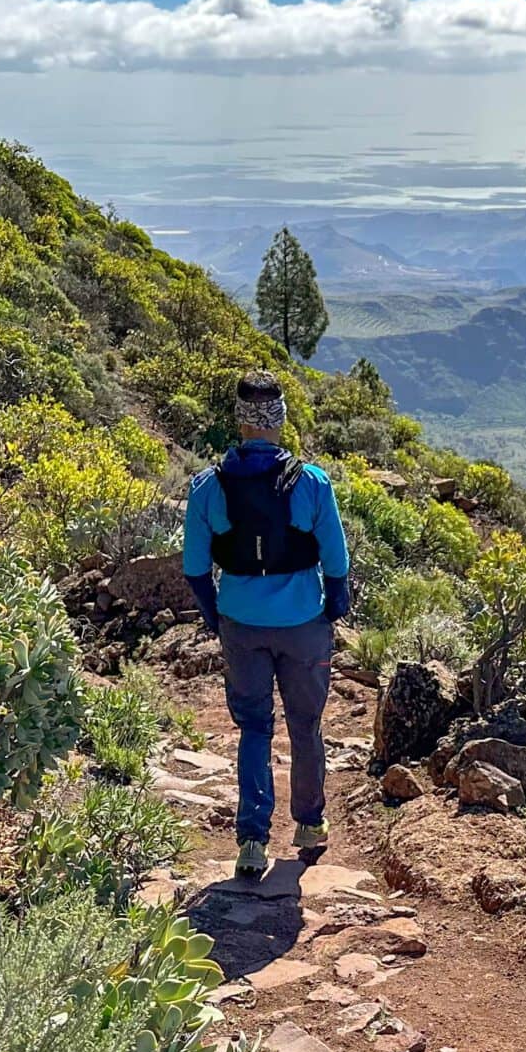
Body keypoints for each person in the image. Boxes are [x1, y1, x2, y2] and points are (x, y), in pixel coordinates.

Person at [183, 371, 352, 878]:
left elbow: (194, 570)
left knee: (254, 727)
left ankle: (252, 840)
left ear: (239, 421)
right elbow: (337, 564)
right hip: (302, 622)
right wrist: (332, 609)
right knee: (306, 724)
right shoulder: (311, 482)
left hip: (240, 621)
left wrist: (220, 618)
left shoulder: (209, 486)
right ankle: (308, 823)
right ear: (279, 419)